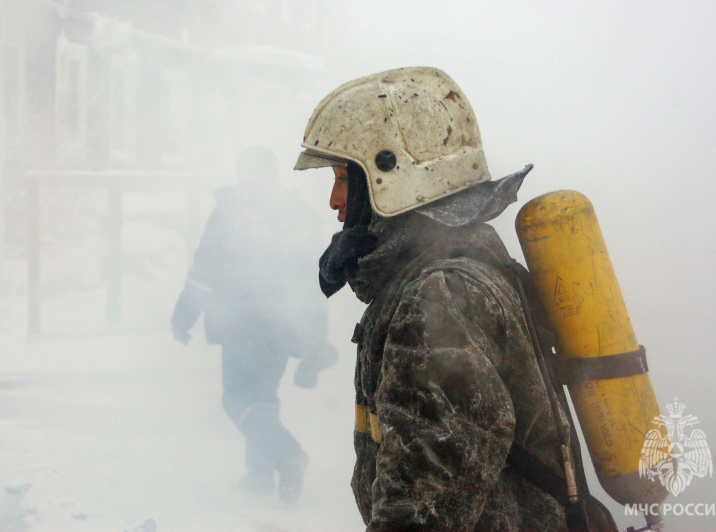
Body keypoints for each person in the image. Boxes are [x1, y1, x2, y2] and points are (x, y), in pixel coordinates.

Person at [294, 68, 616, 530]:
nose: (333, 201)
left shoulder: (440, 296)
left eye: (345, 178)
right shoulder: (452, 268)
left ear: (392, 177)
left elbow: (426, 501)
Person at [171, 145, 337, 504]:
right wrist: (314, 335)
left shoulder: (231, 210)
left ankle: (287, 456)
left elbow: (205, 270)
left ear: (242, 173)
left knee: (236, 400)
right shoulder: (296, 211)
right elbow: (316, 270)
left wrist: (182, 318)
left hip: (241, 323)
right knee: (262, 397)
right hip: (284, 324)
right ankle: (260, 475)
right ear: (274, 173)